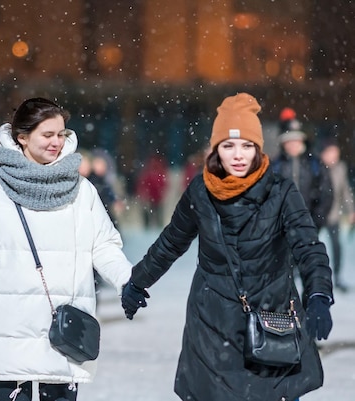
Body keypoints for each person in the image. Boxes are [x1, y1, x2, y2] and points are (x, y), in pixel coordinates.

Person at [121, 93, 334, 401]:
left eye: (247, 145)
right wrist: (137, 281)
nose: (238, 155)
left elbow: (308, 246)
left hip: (272, 319)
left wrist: (318, 294)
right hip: (212, 322)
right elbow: (171, 242)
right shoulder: (200, 191)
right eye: (228, 145)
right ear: (216, 148)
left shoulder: (282, 191)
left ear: (258, 148)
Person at [0, 97, 133, 401]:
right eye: (47, 135)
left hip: (63, 329)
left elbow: (103, 245)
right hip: (10, 328)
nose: (56, 142)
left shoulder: (82, 190)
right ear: (22, 137)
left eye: (61, 134)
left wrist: (128, 281)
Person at [272, 110, 333, 232]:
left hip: (310, 225)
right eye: (289, 140)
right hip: (282, 228)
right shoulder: (276, 165)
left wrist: (316, 221)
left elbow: (326, 193)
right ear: (283, 143)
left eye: (296, 140)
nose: (293, 144)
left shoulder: (314, 163)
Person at [320, 140, 355, 292]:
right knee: (309, 246)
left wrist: (351, 210)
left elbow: (345, 191)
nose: (334, 156)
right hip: (317, 215)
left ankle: (338, 276)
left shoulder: (340, 168)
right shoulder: (316, 168)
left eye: (336, 153)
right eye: (331, 153)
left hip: (334, 215)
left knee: (336, 246)